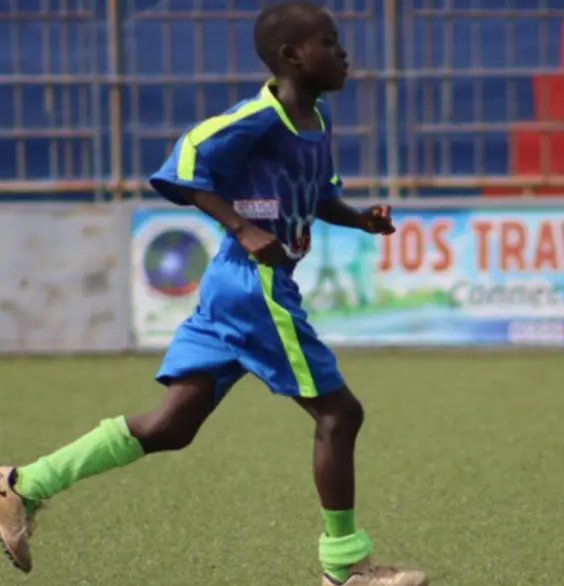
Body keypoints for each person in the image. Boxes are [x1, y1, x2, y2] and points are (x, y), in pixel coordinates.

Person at [0, 2, 428, 585]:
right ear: (291, 56)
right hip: (254, 287)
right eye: (330, 42)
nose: (343, 53)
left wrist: (360, 219)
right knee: (339, 413)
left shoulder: (318, 120)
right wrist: (242, 227)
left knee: (172, 426)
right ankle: (346, 565)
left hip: (235, 288)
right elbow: (186, 159)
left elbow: (318, 196)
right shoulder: (258, 116)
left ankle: (23, 486)